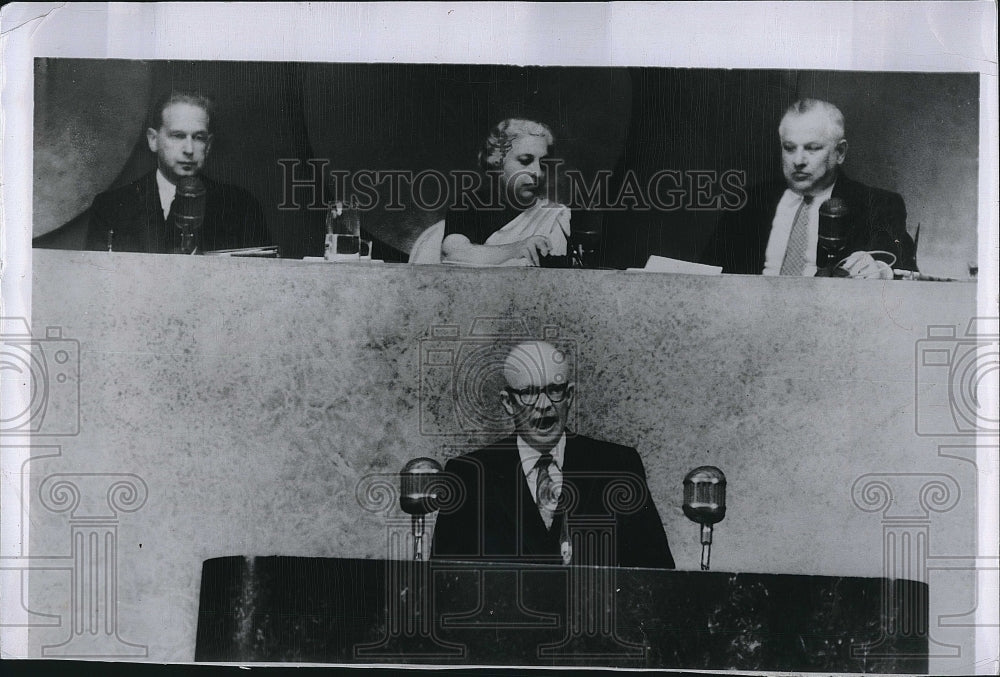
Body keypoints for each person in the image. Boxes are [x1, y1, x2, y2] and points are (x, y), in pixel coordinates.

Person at [431, 340, 674, 569]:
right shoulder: (468, 475)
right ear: (508, 402)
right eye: (529, 392)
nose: (544, 404)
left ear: (569, 395)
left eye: (554, 390)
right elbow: (444, 589)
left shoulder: (619, 466)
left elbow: (657, 580)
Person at [703, 99, 917, 278]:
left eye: (812, 148)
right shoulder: (748, 203)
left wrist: (880, 270)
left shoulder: (876, 204)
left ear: (840, 152)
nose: (798, 160)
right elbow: (707, 273)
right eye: (789, 148)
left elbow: (903, 266)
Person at [84, 91, 270, 254]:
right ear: (153, 140)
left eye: (198, 138)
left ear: (209, 145)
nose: (189, 149)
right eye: (178, 136)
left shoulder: (241, 207)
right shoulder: (111, 207)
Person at [439, 118, 572, 266]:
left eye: (543, 163)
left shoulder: (555, 218)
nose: (537, 172)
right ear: (497, 163)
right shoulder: (469, 205)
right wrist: (516, 249)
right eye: (525, 160)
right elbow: (453, 254)